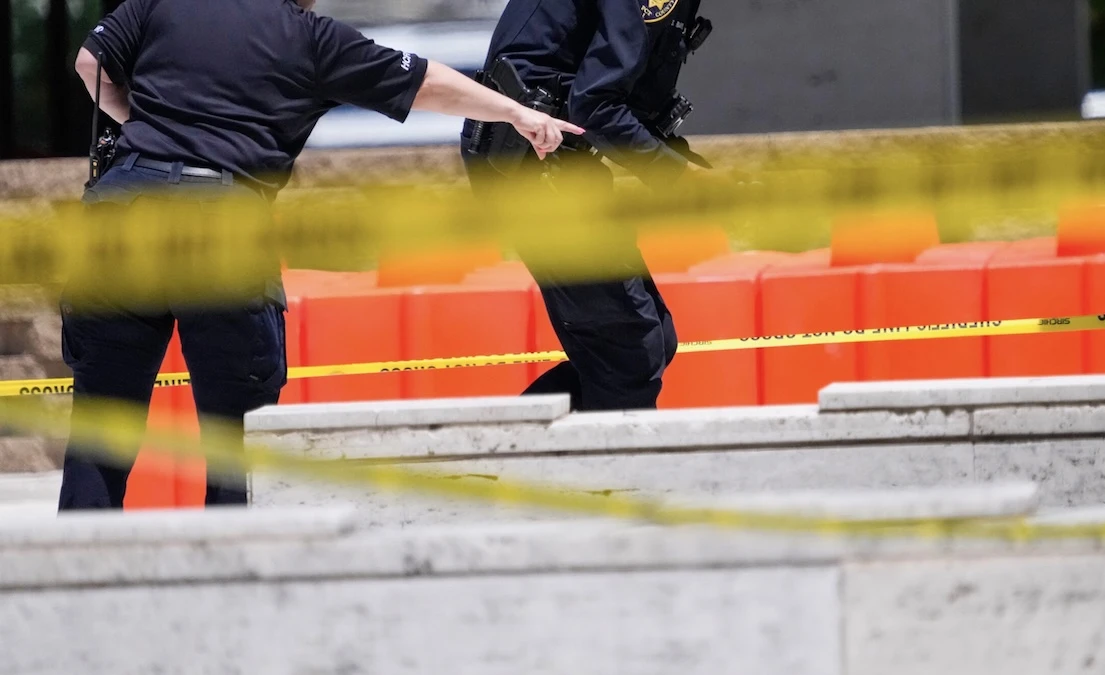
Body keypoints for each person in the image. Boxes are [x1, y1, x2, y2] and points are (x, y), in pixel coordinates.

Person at [61, 0, 583, 511]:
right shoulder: (309, 38)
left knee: (101, 428)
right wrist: (515, 112)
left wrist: (143, 135)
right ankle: (230, 581)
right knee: (236, 439)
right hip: (223, 218)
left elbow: (91, 63)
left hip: (123, 209)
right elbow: (426, 83)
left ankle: (70, 584)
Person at [461, 0, 714, 412]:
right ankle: (602, 474)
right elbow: (596, 106)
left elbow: (626, 105)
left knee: (653, 342)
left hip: (555, 161)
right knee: (629, 354)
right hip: (532, 164)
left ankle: (499, 455)